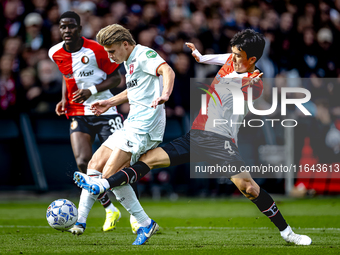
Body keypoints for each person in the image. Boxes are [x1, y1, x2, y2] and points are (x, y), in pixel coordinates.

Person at [74, 29, 312, 246]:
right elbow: (222, 58)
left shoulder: (254, 84)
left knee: (249, 189)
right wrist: (201, 56)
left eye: (239, 56)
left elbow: (232, 85)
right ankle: (115, 195)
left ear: (252, 60)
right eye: (234, 54)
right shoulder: (233, 60)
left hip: (221, 143)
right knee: (147, 159)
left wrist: (242, 79)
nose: (234, 59)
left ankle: (287, 232)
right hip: (197, 136)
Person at [73, 23, 175, 245]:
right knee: (94, 164)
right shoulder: (129, 61)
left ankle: (144, 222)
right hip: (131, 123)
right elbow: (135, 90)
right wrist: (108, 101)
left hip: (145, 127)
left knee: (111, 175)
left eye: (111, 51)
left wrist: (165, 94)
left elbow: (167, 70)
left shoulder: (145, 54)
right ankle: (80, 220)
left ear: (125, 44)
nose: (109, 56)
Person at [48, 11, 126, 234]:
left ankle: (136, 218)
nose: (66, 31)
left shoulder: (96, 49)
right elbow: (68, 75)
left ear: (79, 29)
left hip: (105, 110)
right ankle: (109, 207)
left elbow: (116, 78)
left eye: (71, 26)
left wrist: (90, 90)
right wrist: (64, 98)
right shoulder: (55, 52)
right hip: (77, 112)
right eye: (63, 27)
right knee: (83, 162)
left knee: (119, 165)